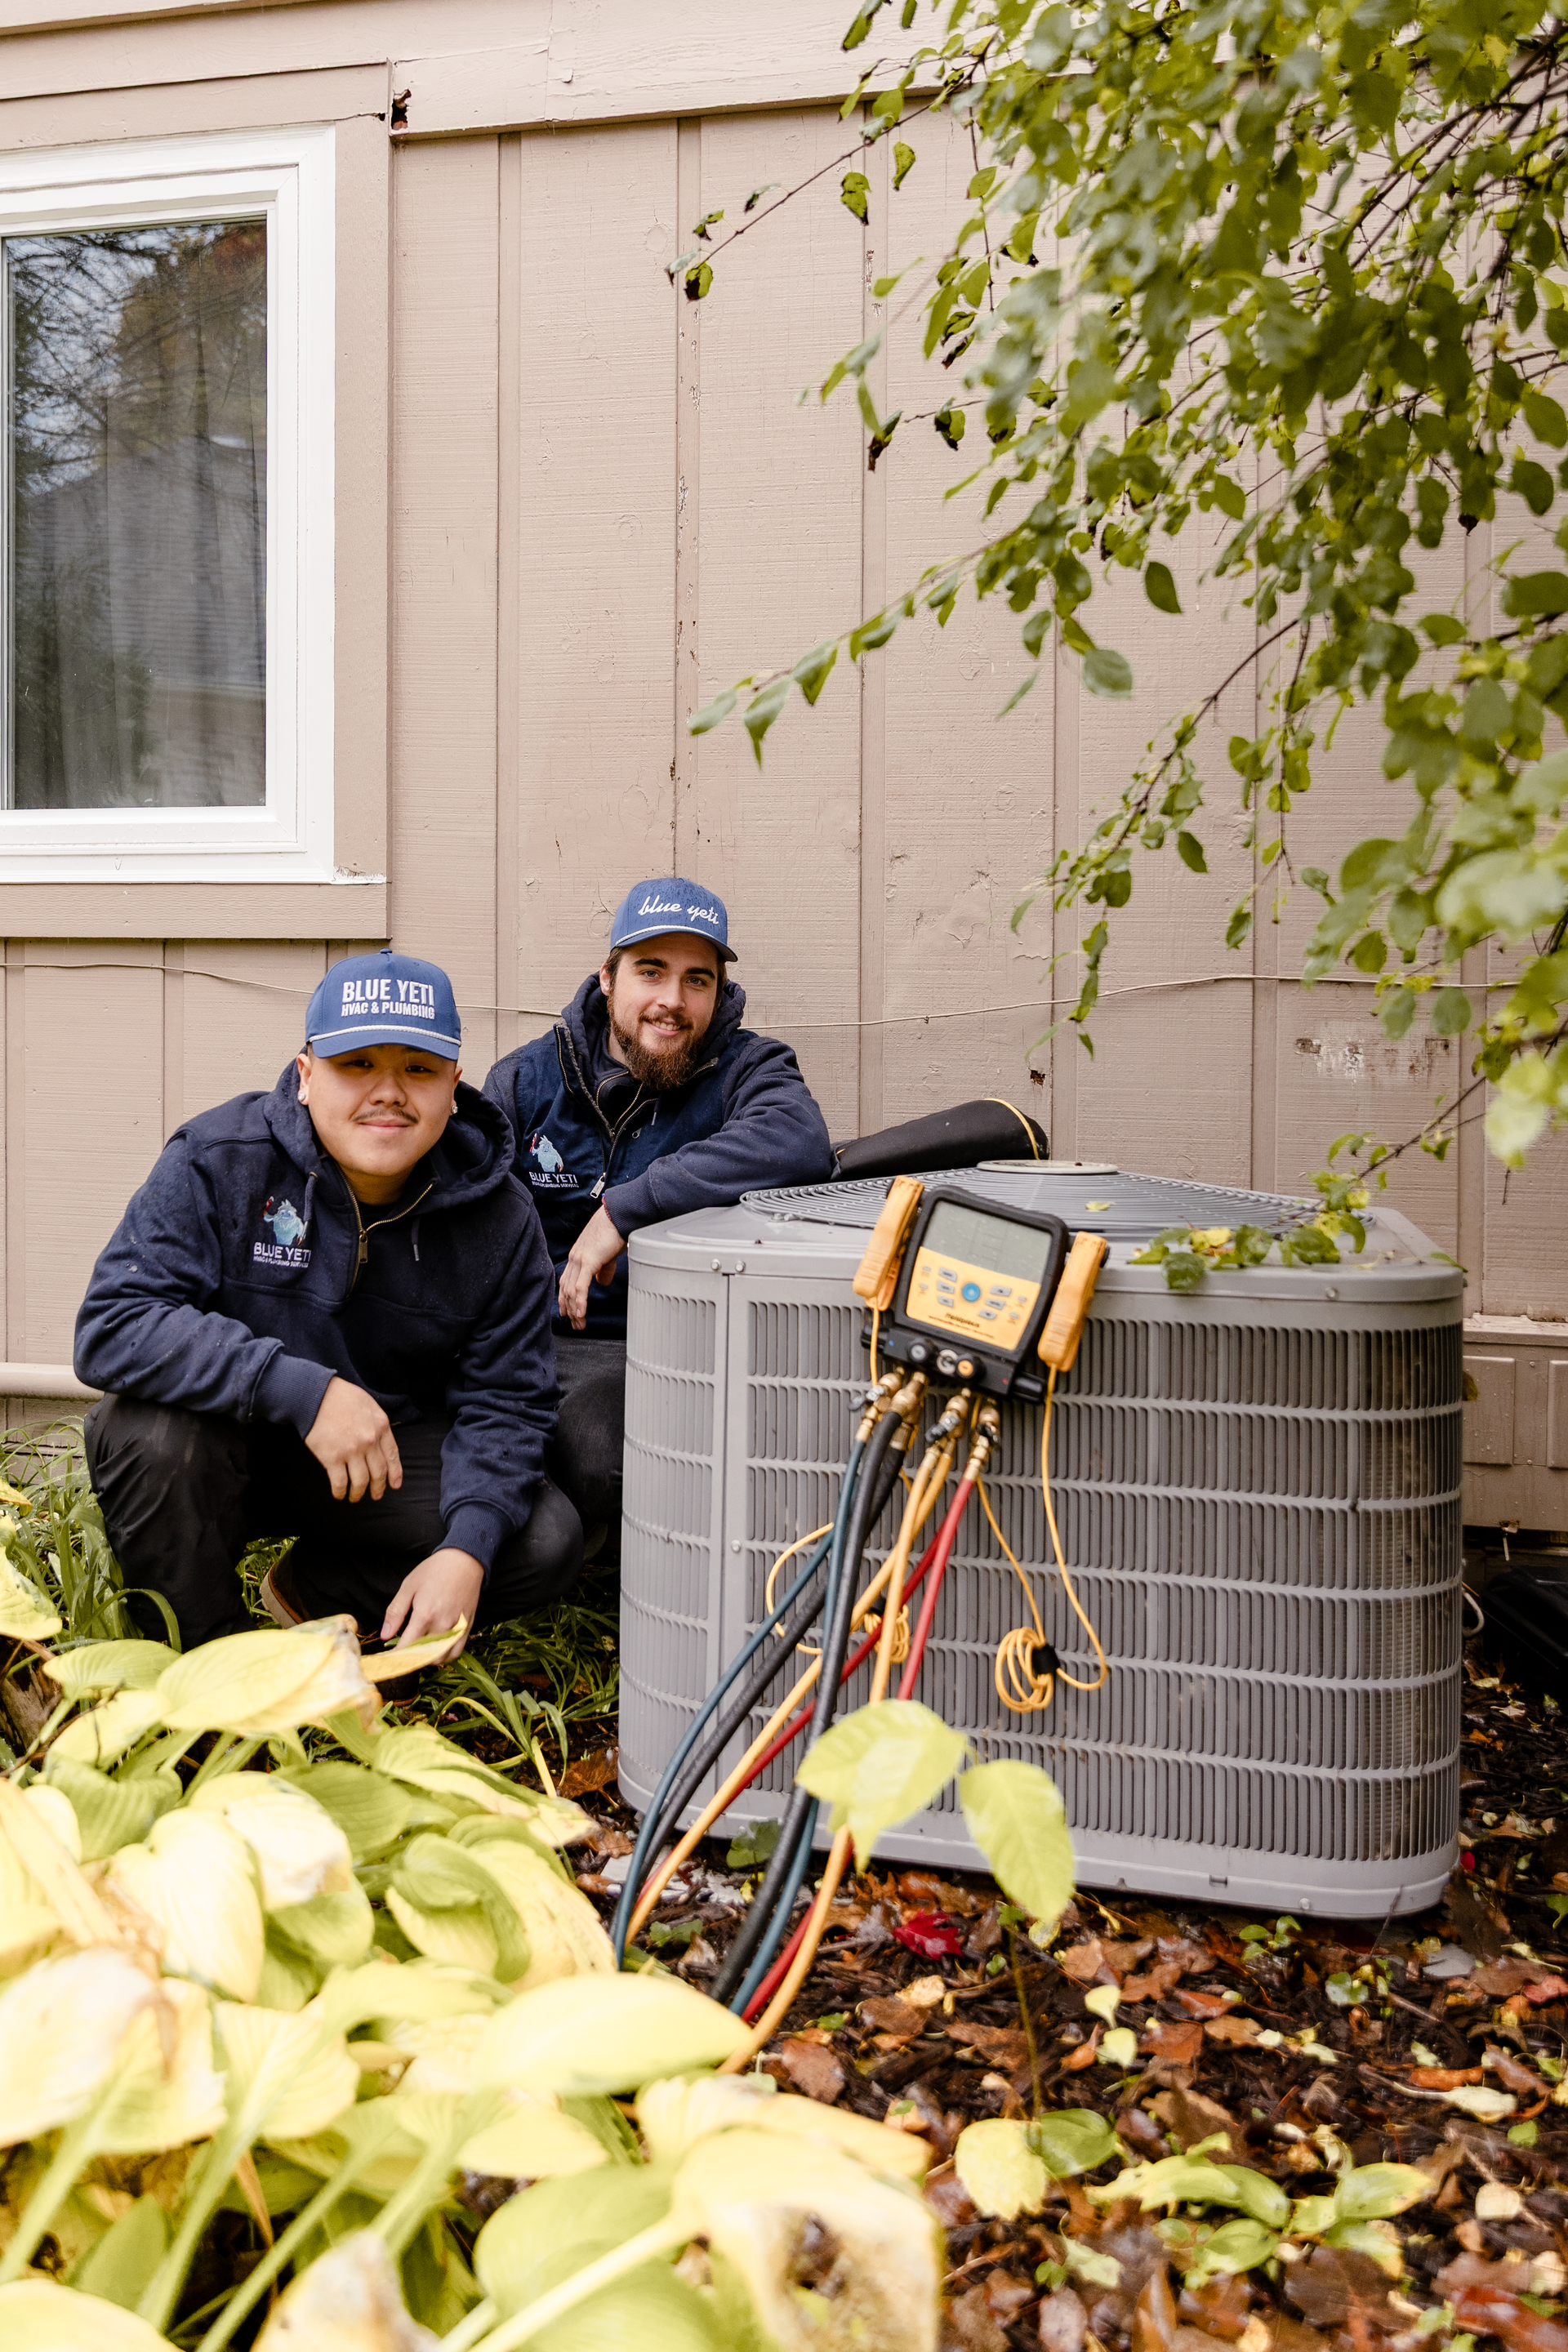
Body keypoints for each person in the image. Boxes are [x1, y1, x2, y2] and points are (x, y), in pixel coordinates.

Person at [75, 948, 579, 1657]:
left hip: (376, 1463)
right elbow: (114, 1323)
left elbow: (510, 1401)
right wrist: (302, 1391)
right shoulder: (219, 1160)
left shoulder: (498, 1218)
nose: (389, 1091)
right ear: (307, 1076)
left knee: (540, 1538)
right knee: (150, 1436)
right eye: (358, 1064)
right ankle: (203, 1669)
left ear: (454, 1084)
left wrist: (465, 1550)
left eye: (417, 1068)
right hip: (225, 1445)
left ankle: (317, 1595)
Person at [483, 876, 834, 1555]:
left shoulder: (746, 1069)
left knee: (598, 1453)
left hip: (668, 1353)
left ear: (718, 993)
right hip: (531, 1344)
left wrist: (626, 1208)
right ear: (607, 979)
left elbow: (798, 1139)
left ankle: (587, 1536)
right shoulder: (527, 1082)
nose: (672, 1001)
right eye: (651, 972)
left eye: (696, 980)